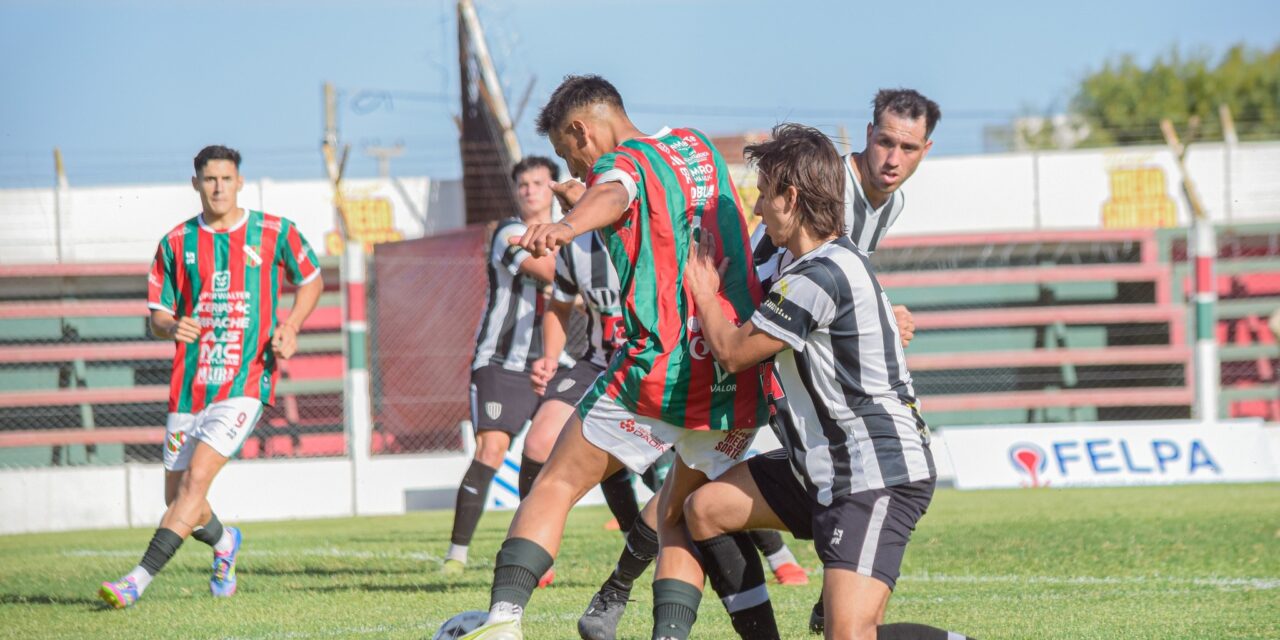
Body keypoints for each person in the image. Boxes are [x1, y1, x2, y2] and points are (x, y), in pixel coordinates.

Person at [458, 74, 769, 640]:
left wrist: (566, 225)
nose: (574, 167)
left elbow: (617, 189)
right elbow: (655, 222)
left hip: (664, 370)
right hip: (735, 367)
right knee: (678, 514)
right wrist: (587, 212)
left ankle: (502, 623)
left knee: (556, 483)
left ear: (582, 130)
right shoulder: (696, 147)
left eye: (567, 152)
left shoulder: (620, 165)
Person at [683, 124, 971, 640]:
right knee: (705, 510)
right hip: (821, 464)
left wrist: (703, 292)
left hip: (874, 470)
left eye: (763, 194)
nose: (757, 209)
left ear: (791, 198)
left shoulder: (820, 275)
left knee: (849, 635)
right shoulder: (801, 265)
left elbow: (733, 353)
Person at [98, 145, 324, 608]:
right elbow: (158, 315)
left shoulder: (274, 231)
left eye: (226, 178)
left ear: (240, 182)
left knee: (196, 479)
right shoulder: (175, 242)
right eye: (210, 179)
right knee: (179, 497)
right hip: (189, 387)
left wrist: (292, 325)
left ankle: (136, 580)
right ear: (195, 183)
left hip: (245, 381)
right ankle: (224, 543)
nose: (218, 187)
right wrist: (170, 326)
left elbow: (311, 279)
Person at [442, 156, 575, 581]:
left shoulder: (573, 235)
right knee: (491, 451)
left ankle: (535, 547)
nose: (530, 190)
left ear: (554, 187)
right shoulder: (507, 233)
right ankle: (456, 555)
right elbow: (552, 271)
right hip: (502, 363)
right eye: (523, 184)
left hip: (559, 364)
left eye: (538, 182)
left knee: (568, 451)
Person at [753, 88, 941, 353]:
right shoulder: (829, 187)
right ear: (869, 134)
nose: (893, 160)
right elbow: (796, 288)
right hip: (758, 317)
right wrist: (881, 322)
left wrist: (881, 315)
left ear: (925, 149)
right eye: (885, 142)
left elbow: (839, 282)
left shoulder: (894, 203)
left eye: (908, 148)